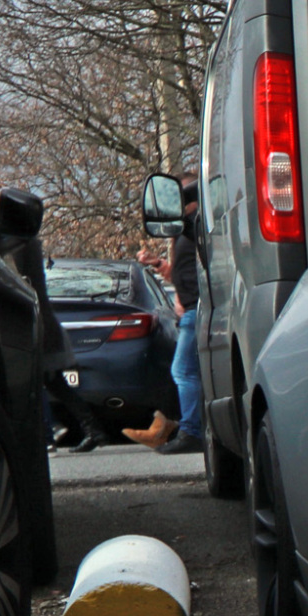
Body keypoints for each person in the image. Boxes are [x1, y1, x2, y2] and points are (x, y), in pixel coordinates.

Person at [123, 178, 205, 456]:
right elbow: (180, 272)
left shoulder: (197, 224)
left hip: (198, 309)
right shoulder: (182, 232)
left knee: (184, 371)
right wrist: (157, 263)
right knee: (183, 371)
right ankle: (174, 425)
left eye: (178, 196)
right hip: (189, 310)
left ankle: (191, 431)